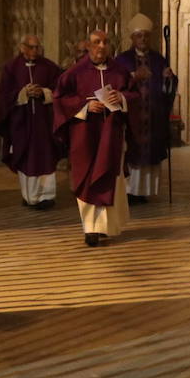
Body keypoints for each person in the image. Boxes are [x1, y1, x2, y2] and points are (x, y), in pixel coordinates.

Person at [53, 29, 138, 246]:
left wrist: (121, 97)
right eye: (96, 42)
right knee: (87, 177)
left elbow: (135, 95)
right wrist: (85, 105)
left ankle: (105, 227)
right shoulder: (74, 73)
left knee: (110, 175)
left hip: (112, 134)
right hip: (85, 135)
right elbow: (60, 99)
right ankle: (90, 229)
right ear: (88, 46)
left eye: (105, 42)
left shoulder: (120, 72)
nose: (101, 46)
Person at [0, 34, 62, 209]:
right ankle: (30, 196)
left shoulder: (49, 67)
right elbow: (3, 95)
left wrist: (44, 92)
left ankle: (47, 196)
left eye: (37, 47)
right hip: (21, 122)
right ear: (22, 47)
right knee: (26, 158)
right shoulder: (11, 68)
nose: (35, 51)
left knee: (45, 157)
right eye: (31, 47)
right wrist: (23, 93)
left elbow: (59, 89)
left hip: (44, 123)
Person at [114, 13, 176, 204]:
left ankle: (144, 192)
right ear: (132, 38)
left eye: (146, 36)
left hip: (154, 116)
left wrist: (168, 78)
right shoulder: (121, 61)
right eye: (139, 35)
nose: (143, 39)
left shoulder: (158, 60)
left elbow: (168, 90)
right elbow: (117, 84)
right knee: (132, 152)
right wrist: (134, 77)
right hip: (132, 116)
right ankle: (131, 191)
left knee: (150, 154)